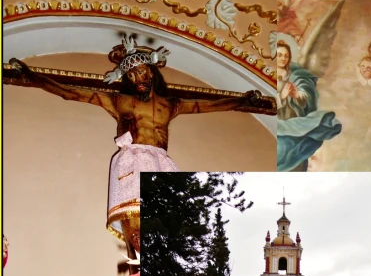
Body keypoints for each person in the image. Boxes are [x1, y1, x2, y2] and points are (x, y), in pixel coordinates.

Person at [10, 38, 261, 255]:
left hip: (160, 161)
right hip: (130, 162)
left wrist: (241, 100)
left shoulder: (170, 104)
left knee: (164, 224)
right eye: (131, 75)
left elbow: (206, 105)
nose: (138, 78)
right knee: (135, 225)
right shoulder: (120, 101)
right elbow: (70, 92)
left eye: (141, 72)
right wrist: (32, 76)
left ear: (151, 72)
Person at [277, 40, 342, 172]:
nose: (283, 58)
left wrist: (296, 95)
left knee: (296, 150)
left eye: (286, 56)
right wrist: (281, 97)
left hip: (292, 120)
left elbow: (306, 95)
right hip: (277, 122)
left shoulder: (296, 75)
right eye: (279, 55)